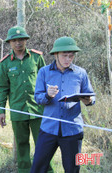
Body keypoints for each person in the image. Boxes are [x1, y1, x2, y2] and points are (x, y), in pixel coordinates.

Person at [31, 36, 95, 173]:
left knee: (72, 169)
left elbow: (91, 97)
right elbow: (37, 97)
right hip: (48, 129)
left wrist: (88, 100)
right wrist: (47, 95)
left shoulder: (81, 73)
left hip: (72, 130)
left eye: (71, 56)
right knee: (37, 167)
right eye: (64, 55)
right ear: (55, 54)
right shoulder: (44, 72)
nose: (68, 59)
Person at [0, 26, 53, 173]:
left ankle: (47, 170)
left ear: (26, 40)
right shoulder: (5, 63)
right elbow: (2, 88)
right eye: (14, 41)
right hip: (17, 110)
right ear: (10, 42)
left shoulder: (36, 57)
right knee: (22, 145)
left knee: (43, 145)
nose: (18, 43)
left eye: (21, 39)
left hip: (38, 110)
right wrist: (1, 110)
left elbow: (48, 80)